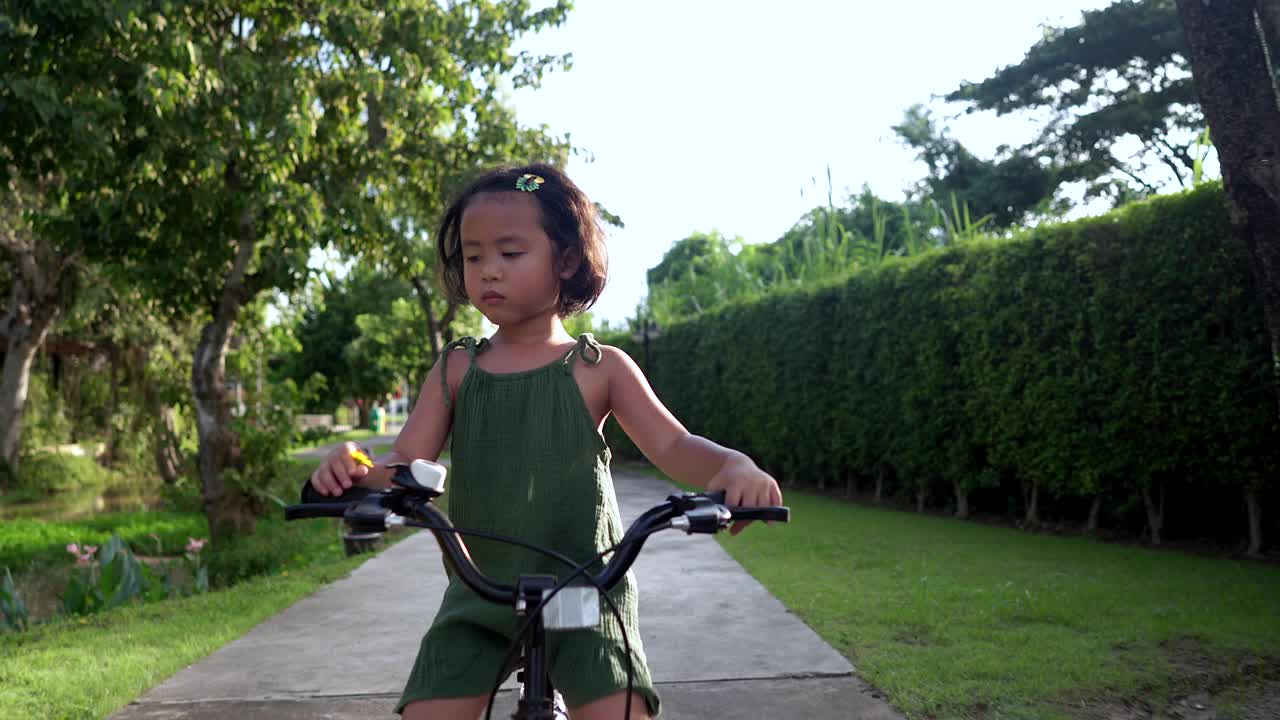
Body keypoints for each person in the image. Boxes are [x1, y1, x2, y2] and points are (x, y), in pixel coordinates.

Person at [309, 163, 782, 720]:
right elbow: (407, 463)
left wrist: (733, 467)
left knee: (619, 711)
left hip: (587, 590)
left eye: (510, 254)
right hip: (479, 594)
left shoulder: (600, 367)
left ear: (566, 260)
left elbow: (675, 446)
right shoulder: (458, 367)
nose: (488, 272)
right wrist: (354, 468)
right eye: (473, 255)